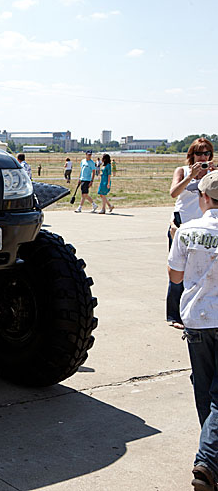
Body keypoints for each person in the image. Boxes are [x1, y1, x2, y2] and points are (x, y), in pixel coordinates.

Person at [167, 170, 218, 491]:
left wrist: (176, 239)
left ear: (203, 198)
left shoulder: (188, 230)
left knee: (204, 391)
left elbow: (175, 277)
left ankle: (208, 461)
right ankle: (208, 461)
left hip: (197, 320)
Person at [167, 138, 215, 327]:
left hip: (205, 228)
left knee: (202, 271)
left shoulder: (213, 174)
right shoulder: (182, 171)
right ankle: (174, 315)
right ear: (191, 155)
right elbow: (173, 193)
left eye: (207, 154)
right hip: (181, 226)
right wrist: (191, 176)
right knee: (177, 270)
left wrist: (212, 173)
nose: (203, 157)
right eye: (199, 154)